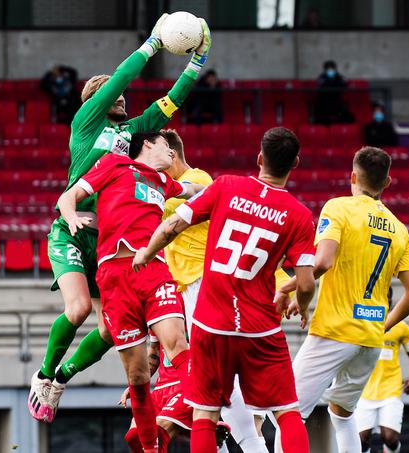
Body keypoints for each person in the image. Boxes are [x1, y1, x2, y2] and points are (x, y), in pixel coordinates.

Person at [27, 14, 211, 425]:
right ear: (94, 100)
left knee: (110, 332)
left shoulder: (130, 134)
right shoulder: (86, 124)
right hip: (72, 231)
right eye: (113, 94)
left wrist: (197, 62)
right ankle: (41, 375)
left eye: (124, 98)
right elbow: (122, 78)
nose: (123, 99)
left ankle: (60, 380)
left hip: (108, 242)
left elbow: (171, 103)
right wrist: (152, 44)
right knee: (76, 311)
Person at [133, 127, 318, 453]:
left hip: (210, 317)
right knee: (287, 410)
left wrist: (146, 253)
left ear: (259, 158)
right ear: (296, 164)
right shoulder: (300, 215)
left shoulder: (224, 186)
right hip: (259, 324)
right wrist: (301, 304)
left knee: (206, 413)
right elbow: (306, 282)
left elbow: (172, 225)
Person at [57, 130, 204, 452]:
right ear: (149, 144)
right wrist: (71, 219)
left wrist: (231, 191)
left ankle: (205, 412)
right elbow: (67, 197)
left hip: (153, 271)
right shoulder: (114, 165)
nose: (173, 155)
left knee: (178, 344)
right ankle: (152, 447)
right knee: (137, 376)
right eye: (168, 146)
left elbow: (195, 190)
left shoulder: (165, 183)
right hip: (114, 276)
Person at [274, 146, 409, 453]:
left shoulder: (338, 208)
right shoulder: (399, 229)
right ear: (388, 183)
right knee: (343, 416)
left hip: (335, 331)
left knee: (287, 413)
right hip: (369, 338)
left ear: (353, 176)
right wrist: (383, 325)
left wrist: (287, 288)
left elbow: (322, 262)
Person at [356, 288, 409, 453]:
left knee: (390, 438)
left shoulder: (401, 327)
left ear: (391, 301)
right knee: (361, 440)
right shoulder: (362, 323)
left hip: (391, 389)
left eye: (385, 298)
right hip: (365, 390)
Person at [314, 60, 353, 125]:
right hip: (325, 101)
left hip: (337, 101)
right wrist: (330, 82)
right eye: (328, 68)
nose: (330, 70)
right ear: (325, 69)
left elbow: (345, 84)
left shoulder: (339, 76)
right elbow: (320, 85)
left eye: (332, 68)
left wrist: (334, 81)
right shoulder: (322, 77)